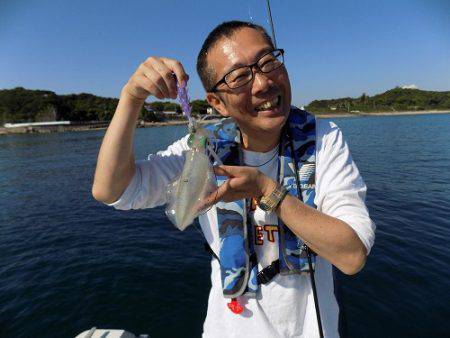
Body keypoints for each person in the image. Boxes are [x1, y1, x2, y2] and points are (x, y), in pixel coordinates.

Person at [92, 20, 375, 338]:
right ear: (216, 102)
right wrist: (131, 97)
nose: (262, 83)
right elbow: (112, 190)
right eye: (240, 77)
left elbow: (352, 256)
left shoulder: (323, 140)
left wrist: (266, 190)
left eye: (268, 62)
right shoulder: (204, 148)